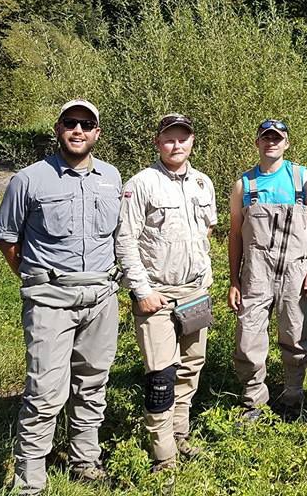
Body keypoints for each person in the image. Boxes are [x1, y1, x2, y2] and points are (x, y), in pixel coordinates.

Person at [0, 100, 122, 496]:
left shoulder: (112, 178)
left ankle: (85, 459)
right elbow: (8, 239)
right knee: (45, 390)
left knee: (93, 382)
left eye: (87, 124)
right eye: (71, 123)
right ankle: (30, 481)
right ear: (58, 128)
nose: (78, 130)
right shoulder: (29, 180)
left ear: (97, 132)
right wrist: (38, 280)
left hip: (101, 296)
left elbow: (119, 236)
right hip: (50, 298)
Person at [115, 114, 217, 472]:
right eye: (170, 139)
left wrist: (205, 279)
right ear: (158, 143)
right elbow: (125, 240)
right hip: (156, 296)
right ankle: (164, 455)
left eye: (183, 139)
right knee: (161, 375)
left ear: (192, 142)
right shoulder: (141, 184)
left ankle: (180, 434)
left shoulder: (204, 184)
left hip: (194, 292)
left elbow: (205, 235)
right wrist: (142, 291)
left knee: (191, 366)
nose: (177, 145)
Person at [228, 119, 307, 417]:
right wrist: (233, 280)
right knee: (248, 337)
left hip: (296, 271)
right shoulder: (244, 184)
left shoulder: (301, 178)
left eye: (277, 138)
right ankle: (253, 399)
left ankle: (293, 396)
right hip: (256, 274)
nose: (271, 142)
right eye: (266, 137)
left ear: (286, 143)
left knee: (295, 335)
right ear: (257, 142)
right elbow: (234, 234)